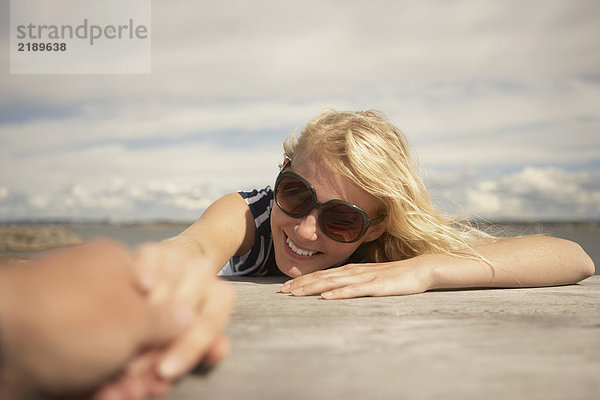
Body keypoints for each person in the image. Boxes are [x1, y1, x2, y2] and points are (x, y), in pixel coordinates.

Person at [135, 109, 594, 300]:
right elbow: (194, 247)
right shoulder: (248, 216)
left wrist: (425, 269)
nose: (306, 230)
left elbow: (573, 257)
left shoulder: (387, 248)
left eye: (342, 220)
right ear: (282, 170)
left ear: (376, 227)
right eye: (295, 194)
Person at [0, 240, 236, 400]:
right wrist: (163, 279)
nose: (275, 200)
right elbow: (195, 244)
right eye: (275, 193)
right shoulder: (250, 210)